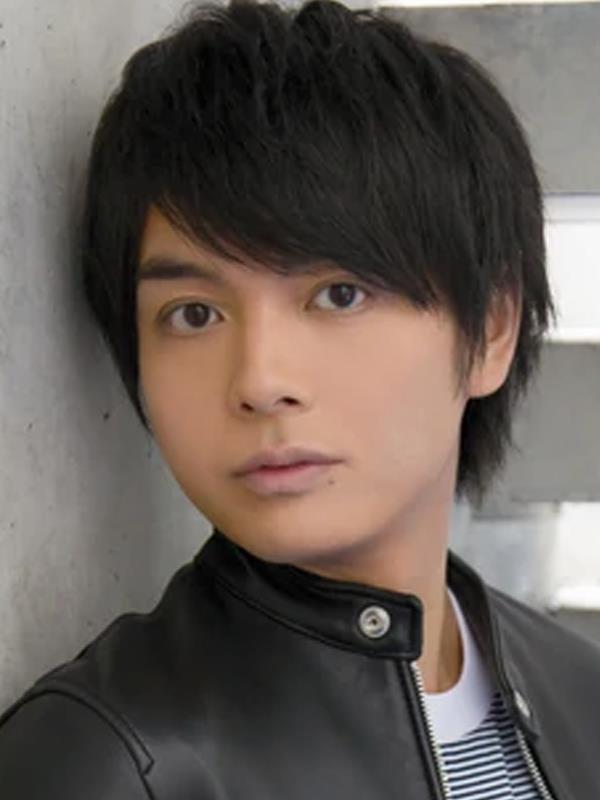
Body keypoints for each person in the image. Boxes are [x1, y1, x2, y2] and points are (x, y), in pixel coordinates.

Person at [0, 0, 598, 797]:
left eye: (339, 295)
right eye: (194, 314)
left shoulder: (583, 697)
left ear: (490, 329)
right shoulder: (108, 764)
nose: (259, 381)